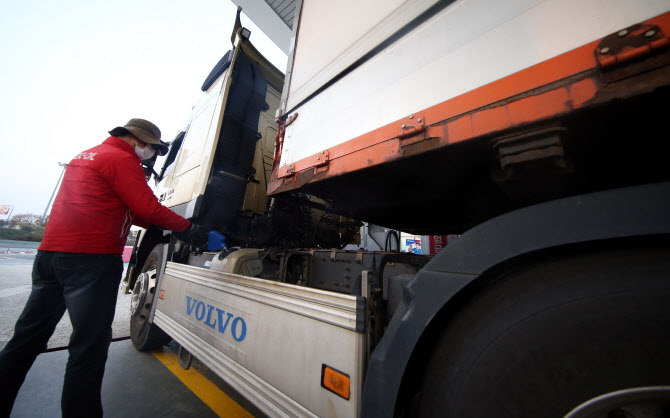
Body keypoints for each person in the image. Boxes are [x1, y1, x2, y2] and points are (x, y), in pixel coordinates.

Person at [0, 118, 203, 418]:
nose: (152, 156)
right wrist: (189, 228)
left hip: (49, 257)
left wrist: (157, 225)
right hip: (90, 261)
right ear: (138, 141)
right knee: (88, 347)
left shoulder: (86, 156)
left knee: (26, 339)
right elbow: (146, 207)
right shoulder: (122, 160)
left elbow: (120, 209)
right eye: (154, 149)